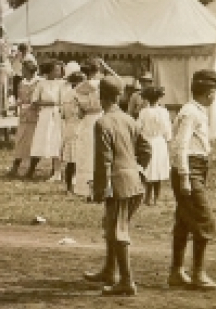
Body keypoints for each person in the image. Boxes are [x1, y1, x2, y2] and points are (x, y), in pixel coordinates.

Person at [84, 76, 141, 297]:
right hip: (132, 182)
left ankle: (127, 281)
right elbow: (145, 147)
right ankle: (109, 271)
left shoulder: (103, 122)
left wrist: (102, 188)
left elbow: (104, 159)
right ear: (120, 96)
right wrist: (139, 169)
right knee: (111, 227)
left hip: (118, 185)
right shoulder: (129, 119)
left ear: (101, 96)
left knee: (118, 232)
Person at [168, 69, 216, 291]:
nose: (215, 96)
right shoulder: (191, 112)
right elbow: (180, 145)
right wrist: (185, 178)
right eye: (215, 92)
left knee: (184, 220)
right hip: (190, 169)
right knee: (203, 220)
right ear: (209, 92)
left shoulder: (196, 111)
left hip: (197, 167)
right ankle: (198, 273)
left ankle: (177, 272)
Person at [71, 61, 105, 199]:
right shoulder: (102, 85)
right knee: (100, 152)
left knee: (86, 154)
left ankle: (85, 188)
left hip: (87, 120)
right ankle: (99, 187)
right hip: (100, 117)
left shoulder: (79, 88)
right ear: (98, 71)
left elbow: (78, 111)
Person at [27, 62, 67, 180]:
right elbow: (34, 101)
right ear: (49, 71)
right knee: (40, 141)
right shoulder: (41, 83)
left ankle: (56, 171)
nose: (58, 73)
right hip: (45, 115)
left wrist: (57, 105)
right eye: (56, 70)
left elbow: (63, 101)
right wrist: (48, 103)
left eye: (59, 70)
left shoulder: (62, 83)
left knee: (56, 141)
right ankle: (31, 169)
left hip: (57, 115)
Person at [135, 85, 171, 205]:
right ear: (159, 98)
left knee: (149, 169)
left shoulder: (144, 112)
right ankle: (156, 197)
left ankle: (148, 196)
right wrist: (167, 138)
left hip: (148, 141)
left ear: (147, 99)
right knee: (158, 169)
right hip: (159, 142)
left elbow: (138, 128)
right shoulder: (164, 112)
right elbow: (167, 129)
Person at [8, 61, 40, 177]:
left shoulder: (38, 82)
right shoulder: (21, 83)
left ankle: (31, 169)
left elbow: (37, 100)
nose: (22, 71)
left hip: (34, 116)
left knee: (33, 142)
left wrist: (29, 104)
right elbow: (20, 99)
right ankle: (15, 167)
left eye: (24, 69)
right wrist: (13, 106)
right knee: (20, 141)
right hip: (23, 116)